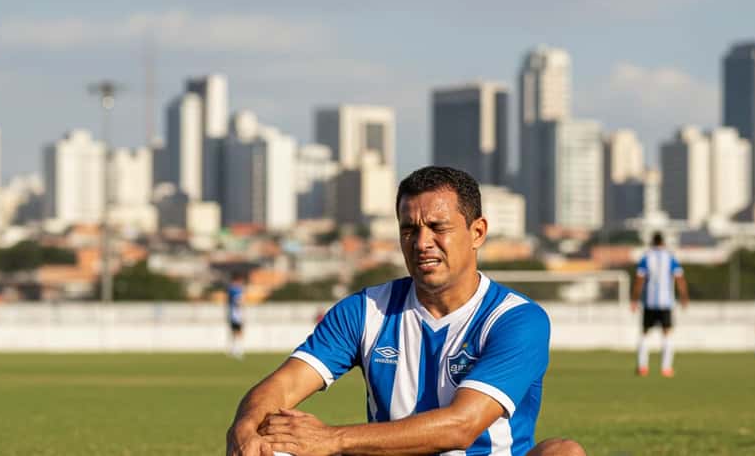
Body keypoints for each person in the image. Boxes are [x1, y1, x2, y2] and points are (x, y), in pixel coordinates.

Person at [226, 166, 585, 456]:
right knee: (270, 440)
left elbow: (461, 426)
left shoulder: (516, 319)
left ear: (477, 232)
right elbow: (284, 384)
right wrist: (245, 425)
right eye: (409, 229)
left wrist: (333, 439)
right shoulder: (365, 310)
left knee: (564, 452)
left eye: (437, 227)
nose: (422, 242)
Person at [630, 232, 689, 378]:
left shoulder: (646, 258)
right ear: (663, 242)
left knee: (644, 334)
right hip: (666, 303)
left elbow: (639, 280)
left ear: (652, 242)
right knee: (667, 334)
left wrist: (635, 299)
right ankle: (666, 368)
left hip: (649, 303)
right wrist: (684, 297)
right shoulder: (670, 258)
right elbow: (680, 278)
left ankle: (643, 367)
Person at [227, 273, 246, 360]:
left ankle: (234, 350)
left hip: (232, 313)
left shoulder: (230, 289)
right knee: (238, 332)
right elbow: (237, 301)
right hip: (236, 314)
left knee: (234, 332)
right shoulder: (236, 290)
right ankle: (238, 350)